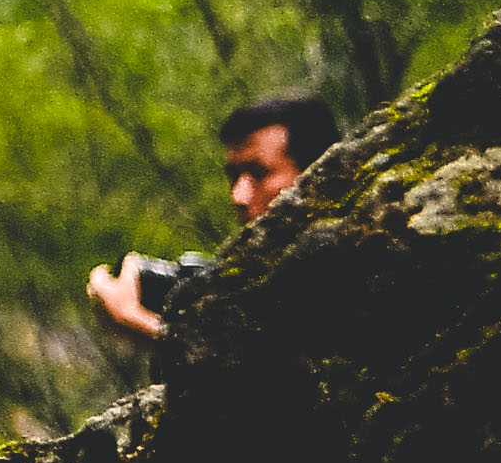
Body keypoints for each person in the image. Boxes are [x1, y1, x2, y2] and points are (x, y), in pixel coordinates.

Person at [88, 92, 345, 343]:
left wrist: (140, 324)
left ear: (315, 174)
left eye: (259, 173)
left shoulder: (349, 256)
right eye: (234, 177)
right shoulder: (258, 280)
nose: (238, 196)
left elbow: (268, 374)